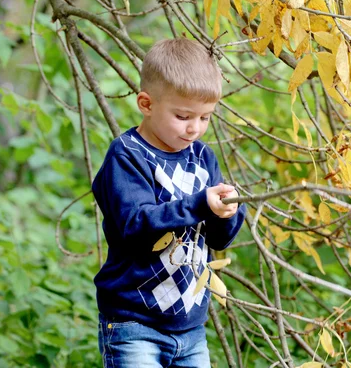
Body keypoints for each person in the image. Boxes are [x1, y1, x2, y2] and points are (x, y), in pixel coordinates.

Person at [92, 37, 246, 368]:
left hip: (190, 329)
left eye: (205, 118)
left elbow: (218, 239)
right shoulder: (127, 156)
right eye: (183, 116)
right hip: (134, 324)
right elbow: (136, 226)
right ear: (146, 104)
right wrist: (200, 204)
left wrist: (228, 210)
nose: (194, 128)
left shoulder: (202, 157)